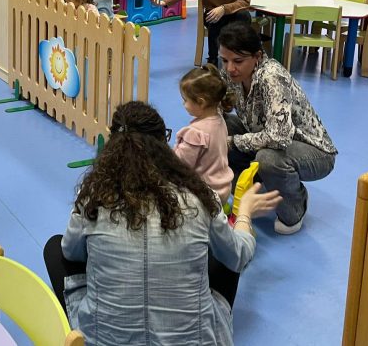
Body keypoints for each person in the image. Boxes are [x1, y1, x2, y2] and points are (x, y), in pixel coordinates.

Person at [44, 101, 281, 345]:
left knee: (54, 248)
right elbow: (239, 255)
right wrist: (244, 214)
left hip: (104, 340)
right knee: (223, 254)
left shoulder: (94, 196)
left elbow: (70, 252)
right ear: (162, 143)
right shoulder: (199, 197)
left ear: (113, 144)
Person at [217, 22, 337, 235]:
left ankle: (295, 207)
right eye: (224, 60)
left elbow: (279, 137)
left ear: (257, 56)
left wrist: (233, 142)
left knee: (268, 159)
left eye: (238, 61)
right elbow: (216, 107)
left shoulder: (271, 76)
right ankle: (250, 187)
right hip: (265, 135)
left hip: (313, 151)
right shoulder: (231, 72)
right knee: (220, 126)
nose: (229, 68)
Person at [175, 63, 235, 202]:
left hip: (205, 195)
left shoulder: (195, 133)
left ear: (201, 103)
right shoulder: (219, 118)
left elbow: (179, 165)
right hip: (224, 187)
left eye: (186, 100)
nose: (184, 104)